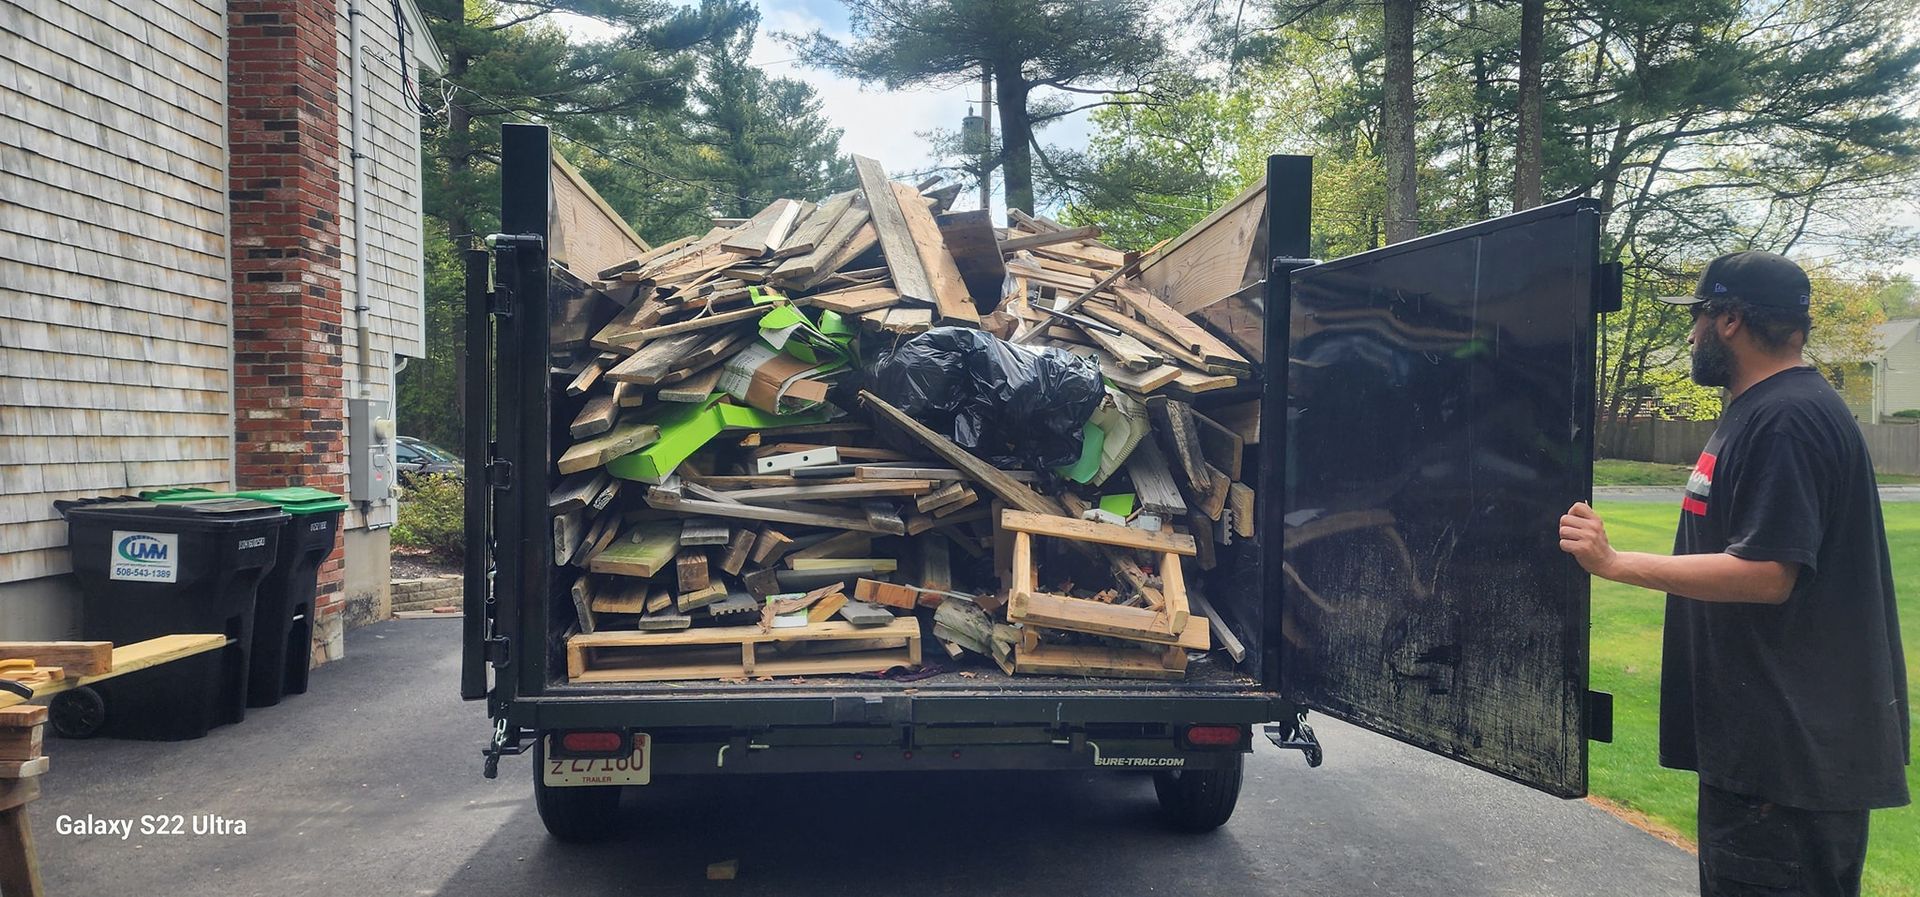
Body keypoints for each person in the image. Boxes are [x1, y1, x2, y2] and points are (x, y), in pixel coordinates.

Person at [1557, 251, 1909, 897]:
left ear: (1729, 319)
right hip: (1762, 751)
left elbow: (1768, 572)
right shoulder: (1761, 409)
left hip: (1788, 760)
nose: (1689, 334)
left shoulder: (1788, 418)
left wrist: (1613, 563)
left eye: (1695, 317)